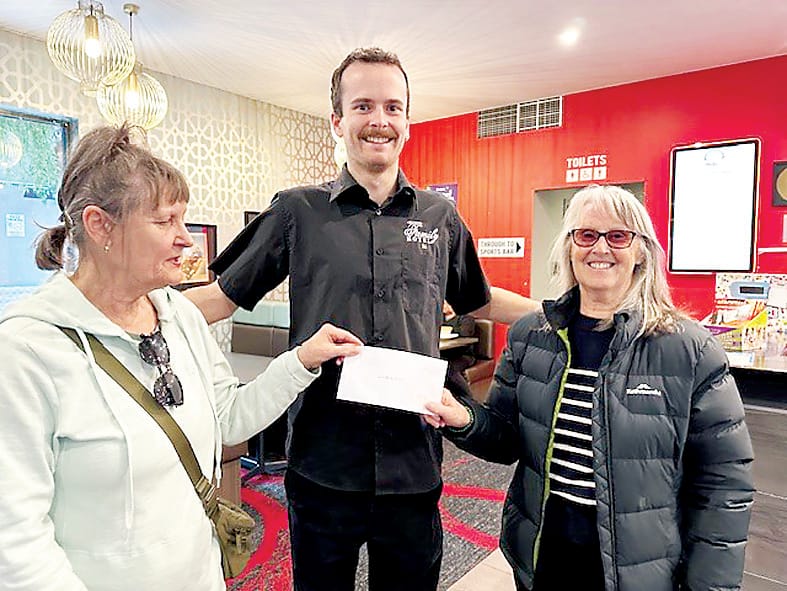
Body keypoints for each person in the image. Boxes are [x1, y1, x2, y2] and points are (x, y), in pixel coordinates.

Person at [185, 47, 539, 590]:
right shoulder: (297, 211)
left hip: (413, 462)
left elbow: (479, 300)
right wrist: (122, 314)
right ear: (338, 120)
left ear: (407, 122)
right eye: (364, 106)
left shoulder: (439, 217)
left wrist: (555, 309)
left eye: (393, 107)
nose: (380, 121)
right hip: (323, 464)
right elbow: (223, 296)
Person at [0, 124, 362, 591]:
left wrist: (302, 360)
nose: (186, 240)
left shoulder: (180, 318)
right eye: (165, 221)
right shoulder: (27, 350)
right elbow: (15, 541)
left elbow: (229, 419)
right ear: (99, 225)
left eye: (182, 219)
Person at [425, 184, 755, 591]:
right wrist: (463, 418)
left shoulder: (689, 349)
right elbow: (507, 439)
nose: (600, 247)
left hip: (639, 570)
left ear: (641, 252)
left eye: (618, 236)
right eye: (586, 235)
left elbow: (723, 486)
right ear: (569, 248)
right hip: (545, 556)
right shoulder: (533, 336)